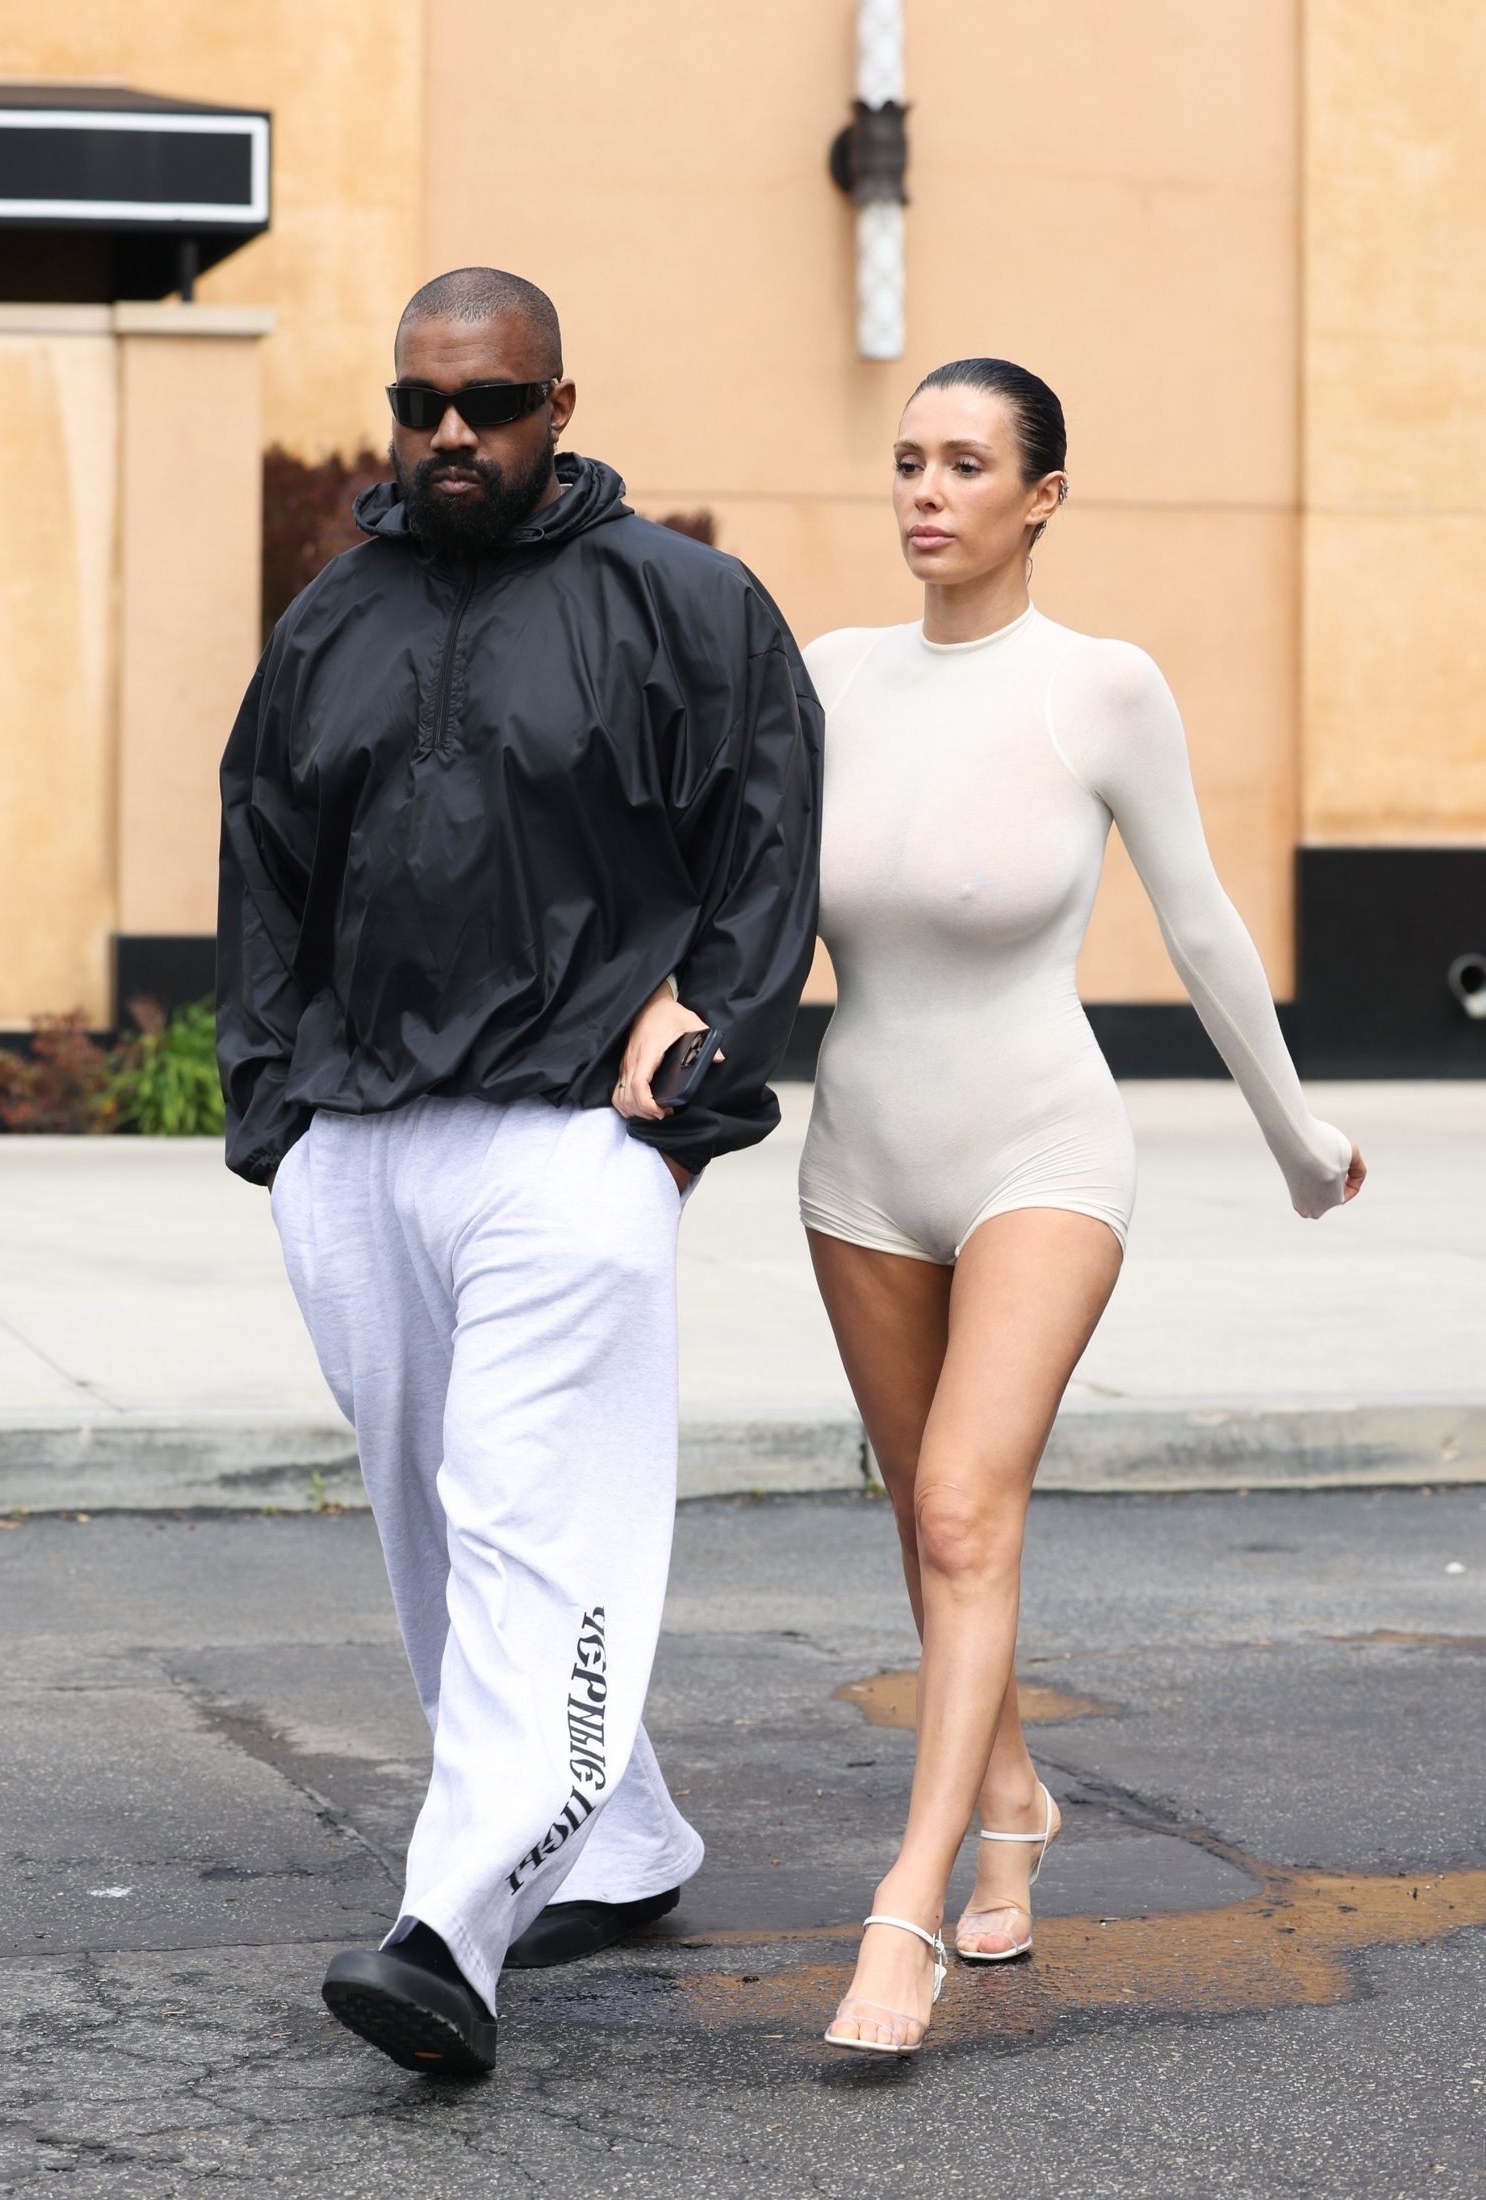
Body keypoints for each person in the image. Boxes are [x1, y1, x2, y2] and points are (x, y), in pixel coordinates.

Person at [216, 267, 821, 2079]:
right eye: (422, 405)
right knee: (434, 1522)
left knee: (524, 1511)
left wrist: (703, 1055)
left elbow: (769, 841)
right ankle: (617, 1837)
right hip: (358, 1138)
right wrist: (275, 1111)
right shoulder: (333, 617)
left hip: (572, 1135)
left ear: (560, 403)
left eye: (490, 402)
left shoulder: (686, 605)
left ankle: (453, 1932)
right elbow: (264, 862)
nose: (452, 434)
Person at [798, 357, 1365, 2056]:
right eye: (910, 460)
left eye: (967, 464)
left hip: (1041, 1153)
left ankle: (903, 1909)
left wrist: (1293, 1134)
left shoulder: (1101, 688)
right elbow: (736, 901)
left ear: (1042, 495)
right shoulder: (830, 676)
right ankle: (1014, 1804)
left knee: (965, 1509)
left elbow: (1201, 928)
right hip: (860, 1164)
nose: (928, 491)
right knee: (929, 1522)